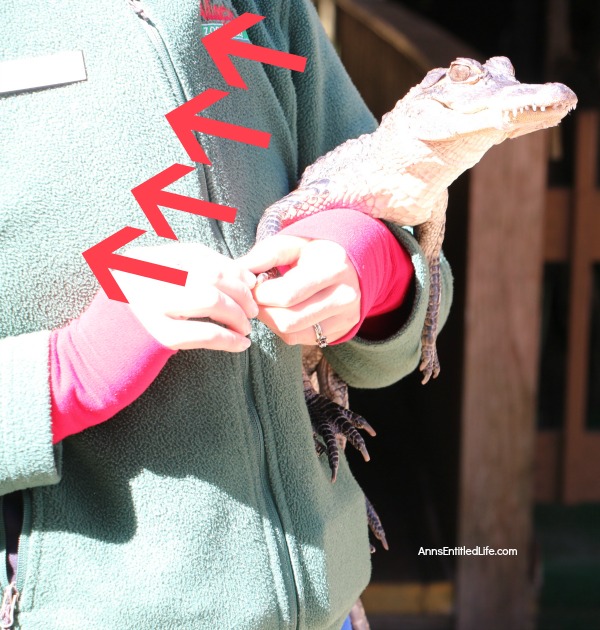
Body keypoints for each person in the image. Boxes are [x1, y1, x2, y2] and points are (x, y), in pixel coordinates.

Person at [0, 0, 452, 628]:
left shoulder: (265, 9)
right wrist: (65, 373)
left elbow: (406, 260)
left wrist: (371, 267)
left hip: (331, 605)